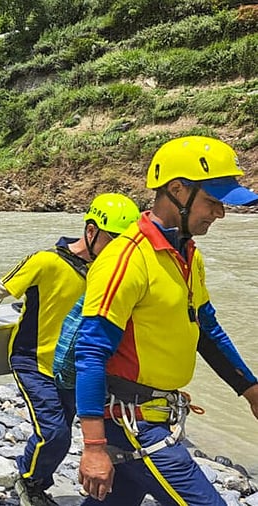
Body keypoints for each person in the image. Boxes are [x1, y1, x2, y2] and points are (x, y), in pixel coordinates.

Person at [75, 136, 258, 505]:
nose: (219, 213)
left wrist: (251, 390)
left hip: (157, 412)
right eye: (212, 202)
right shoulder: (126, 260)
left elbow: (206, 331)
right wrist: (94, 447)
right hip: (131, 422)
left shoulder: (187, 255)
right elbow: (90, 352)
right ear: (177, 190)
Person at [0, 192, 140, 506]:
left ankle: (36, 474)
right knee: (55, 433)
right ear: (91, 231)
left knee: (61, 431)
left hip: (73, 367)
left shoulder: (107, 274)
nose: (119, 252)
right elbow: (1, 287)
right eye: (114, 241)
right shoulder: (46, 260)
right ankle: (29, 481)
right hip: (32, 361)